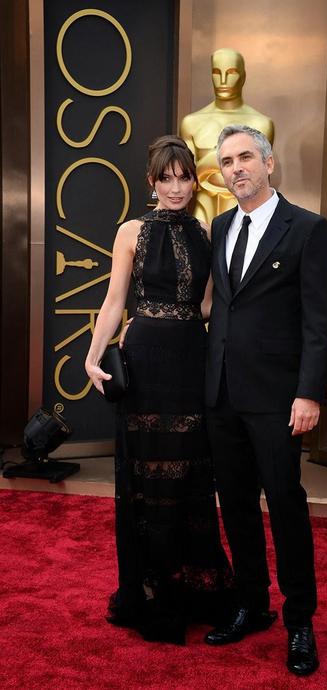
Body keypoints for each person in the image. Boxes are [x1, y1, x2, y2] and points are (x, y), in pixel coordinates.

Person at [85, 135, 233, 645]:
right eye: (165, 178)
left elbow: (209, 306)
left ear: (195, 181)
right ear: (150, 182)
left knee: (190, 474)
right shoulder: (130, 232)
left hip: (191, 360)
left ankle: (194, 590)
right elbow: (113, 301)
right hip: (145, 361)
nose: (175, 187)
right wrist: (92, 352)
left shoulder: (206, 232)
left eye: (184, 177)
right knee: (146, 476)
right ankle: (151, 593)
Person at [203, 125, 327, 676]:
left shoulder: (306, 229)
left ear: (269, 163)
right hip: (222, 393)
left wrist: (309, 392)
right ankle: (251, 605)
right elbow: (220, 306)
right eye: (227, 161)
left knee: (284, 505)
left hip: (279, 398)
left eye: (246, 158)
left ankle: (299, 620)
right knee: (234, 504)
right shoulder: (219, 226)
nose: (236, 169)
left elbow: (320, 322)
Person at [180, 48, 274, 225]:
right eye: (216, 73)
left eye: (231, 73)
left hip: (246, 213)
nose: (222, 81)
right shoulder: (191, 123)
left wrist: (206, 164)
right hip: (202, 210)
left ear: (243, 77)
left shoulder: (261, 124)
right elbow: (188, 181)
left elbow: (259, 179)